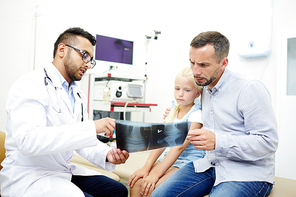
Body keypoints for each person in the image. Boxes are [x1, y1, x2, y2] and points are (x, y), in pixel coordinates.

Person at [0, 27, 129, 197]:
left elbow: (80, 141)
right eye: (84, 56)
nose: (88, 64)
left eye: (91, 60)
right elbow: (28, 141)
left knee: (118, 191)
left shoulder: (77, 95)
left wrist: (107, 154)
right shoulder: (30, 84)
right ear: (62, 50)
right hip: (30, 174)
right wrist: (92, 127)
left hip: (61, 170)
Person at [151, 31, 279, 197]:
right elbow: (191, 108)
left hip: (247, 172)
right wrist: (174, 112)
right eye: (192, 63)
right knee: (158, 196)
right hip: (210, 165)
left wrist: (218, 141)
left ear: (223, 63)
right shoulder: (204, 87)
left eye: (203, 65)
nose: (195, 71)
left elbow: (268, 142)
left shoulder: (249, 88)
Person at [128, 67, 205, 197]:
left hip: (187, 161)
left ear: (197, 93)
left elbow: (179, 148)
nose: (180, 94)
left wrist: (155, 175)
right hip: (169, 158)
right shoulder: (173, 111)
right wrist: (146, 168)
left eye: (187, 90)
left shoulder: (197, 115)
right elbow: (160, 141)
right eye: (177, 89)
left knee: (152, 189)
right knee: (136, 183)